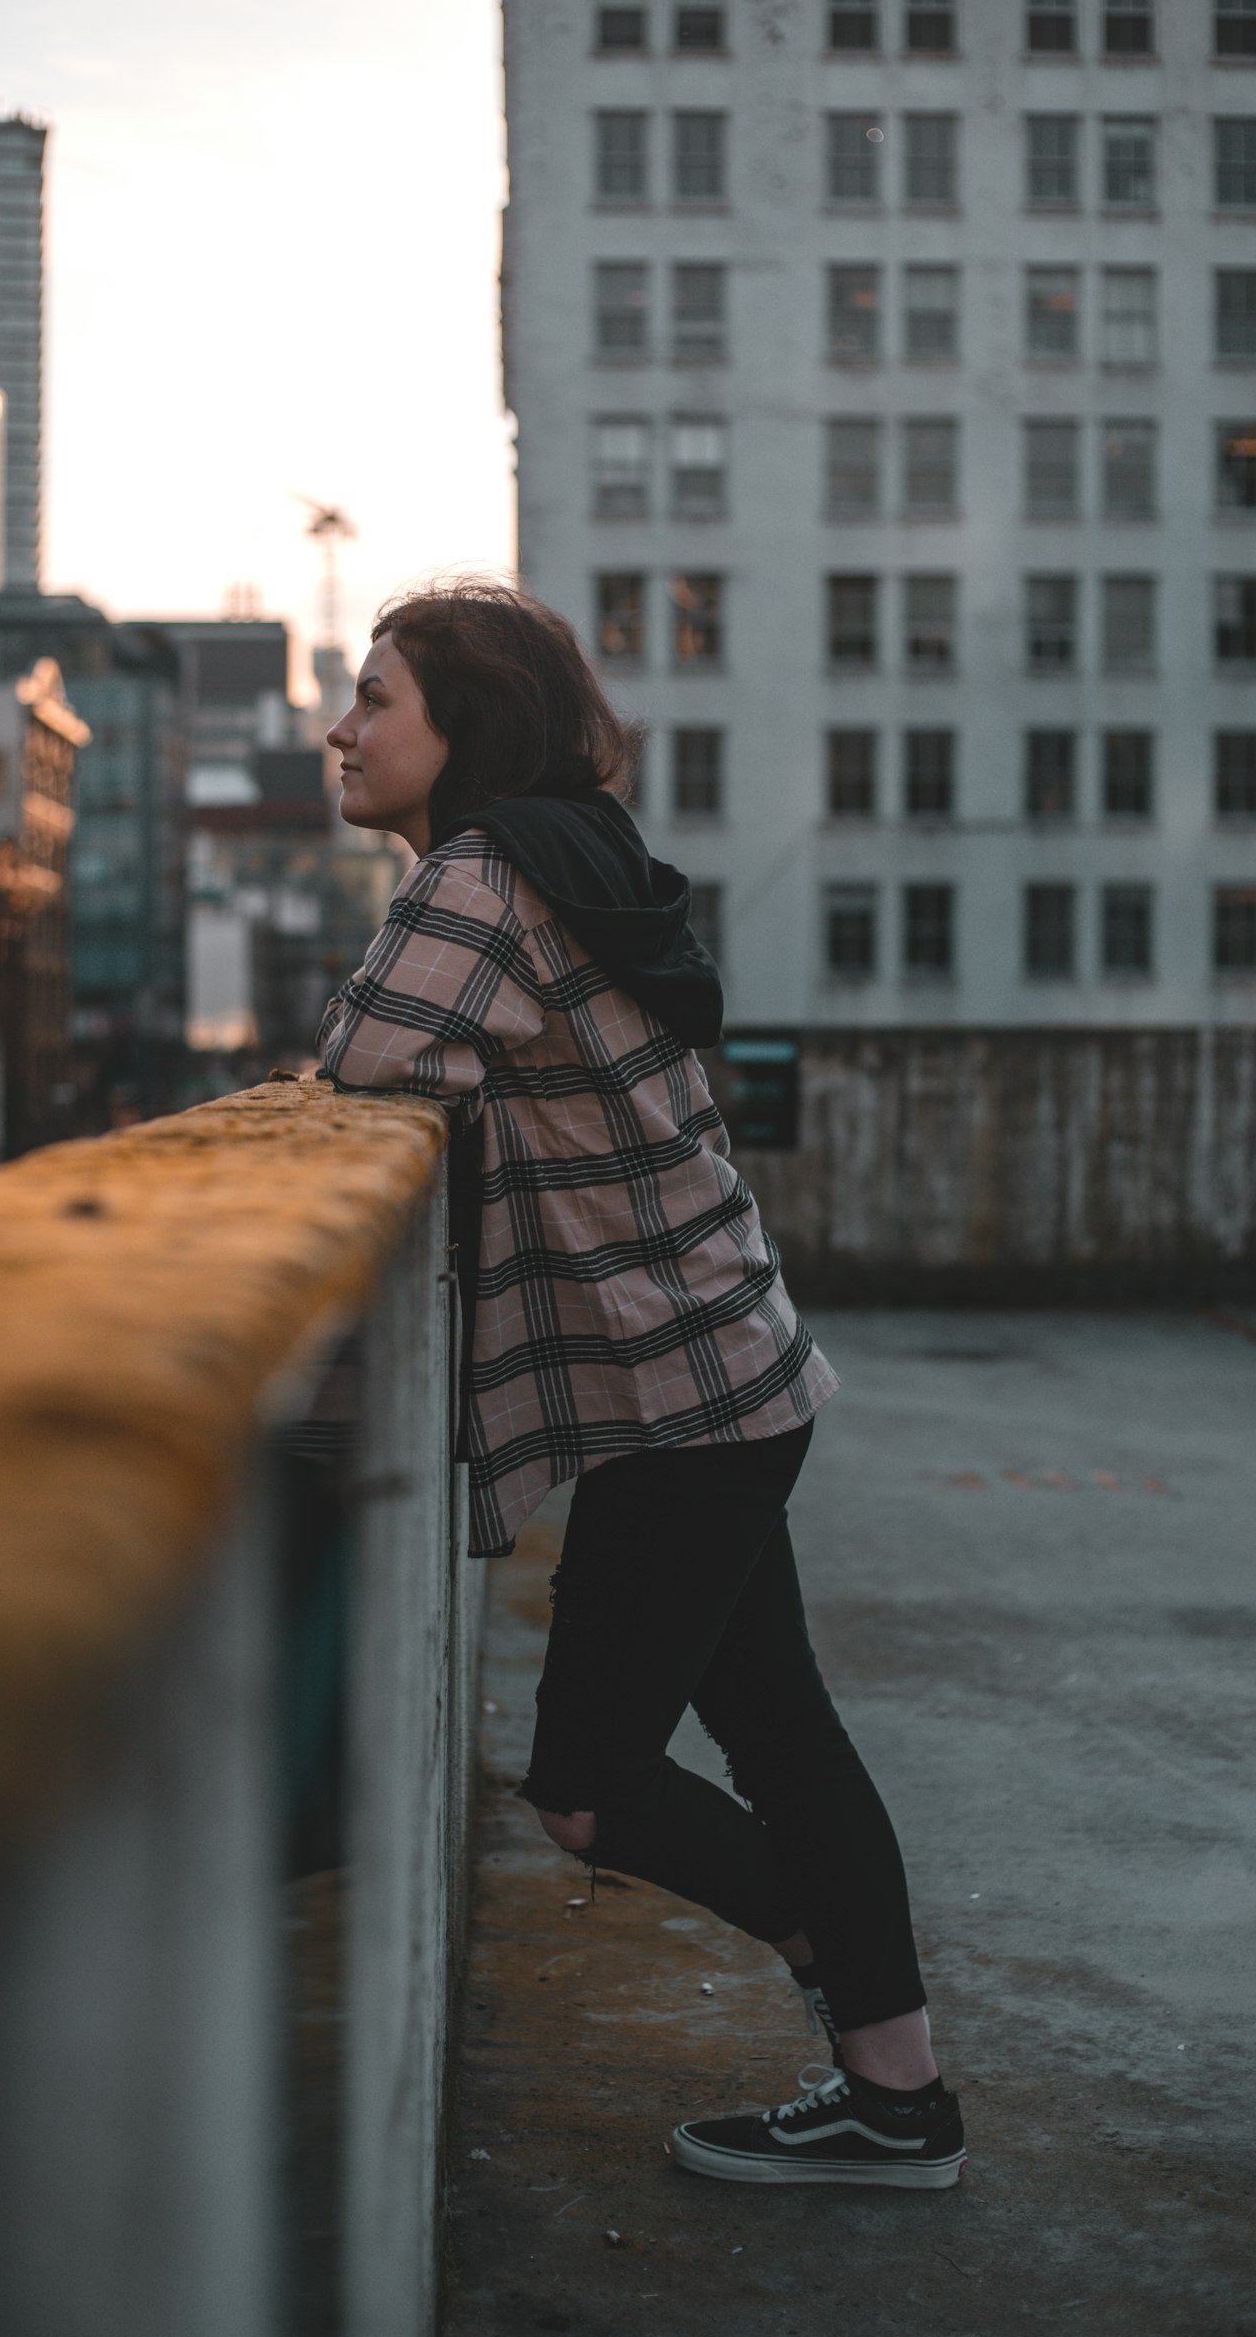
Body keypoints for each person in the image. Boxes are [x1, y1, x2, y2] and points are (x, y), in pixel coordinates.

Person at [316, 578, 965, 2191]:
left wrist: (456, 1059)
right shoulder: (576, 852)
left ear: (462, 730)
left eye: (375, 695)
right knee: (786, 1734)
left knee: (592, 1792)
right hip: (734, 1365)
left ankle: (844, 1981)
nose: (340, 725)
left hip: (688, 1403)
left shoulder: (478, 875)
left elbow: (360, 1066)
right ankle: (899, 2093)